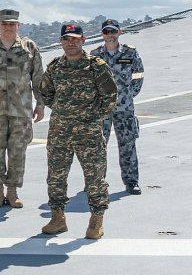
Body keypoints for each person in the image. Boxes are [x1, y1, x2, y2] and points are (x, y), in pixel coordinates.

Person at [39, 23, 118, 240]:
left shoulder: (96, 66)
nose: (70, 43)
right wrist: (65, 111)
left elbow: (110, 96)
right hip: (60, 131)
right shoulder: (55, 67)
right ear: (61, 42)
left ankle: (96, 220)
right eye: (66, 39)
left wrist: (91, 117)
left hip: (89, 132)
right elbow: (46, 94)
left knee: (95, 177)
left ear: (83, 40)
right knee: (56, 176)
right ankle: (57, 218)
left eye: (75, 39)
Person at [0, 8, 44, 209]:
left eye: (12, 24)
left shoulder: (29, 47)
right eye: (4, 24)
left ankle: (12, 191)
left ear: (18, 26)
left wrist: (40, 104)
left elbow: (38, 78)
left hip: (21, 110)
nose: (8, 27)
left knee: (17, 151)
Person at [90, 19, 144, 194]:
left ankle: (131, 182)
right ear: (102, 34)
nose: (110, 35)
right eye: (106, 32)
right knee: (98, 146)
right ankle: (96, 181)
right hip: (102, 109)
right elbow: (90, 80)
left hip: (125, 108)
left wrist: (129, 94)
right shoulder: (95, 54)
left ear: (120, 32)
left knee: (128, 145)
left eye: (113, 31)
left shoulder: (130, 52)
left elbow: (138, 75)